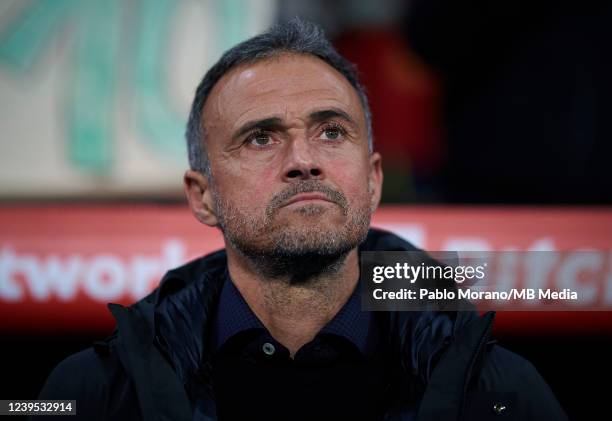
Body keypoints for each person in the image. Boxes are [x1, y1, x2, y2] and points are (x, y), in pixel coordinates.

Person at [37, 18, 567, 420]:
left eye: (332, 132)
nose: (303, 160)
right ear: (203, 197)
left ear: (374, 179)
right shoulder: (91, 392)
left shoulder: (503, 391)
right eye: (261, 137)